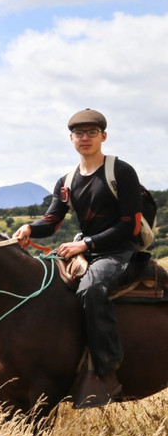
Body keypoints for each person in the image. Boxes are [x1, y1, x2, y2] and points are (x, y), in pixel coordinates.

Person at [12, 109, 143, 406]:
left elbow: (130, 226)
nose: (85, 138)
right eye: (79, 133)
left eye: (92, 133)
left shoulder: (121, 172)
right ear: (71, 138)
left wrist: (86, 244)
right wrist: (30, 227)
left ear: (103, 136)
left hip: (118, 251)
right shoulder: (66, 181)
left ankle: (105, 370)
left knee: (91, 289)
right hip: (84, 249)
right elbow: (52, 221)